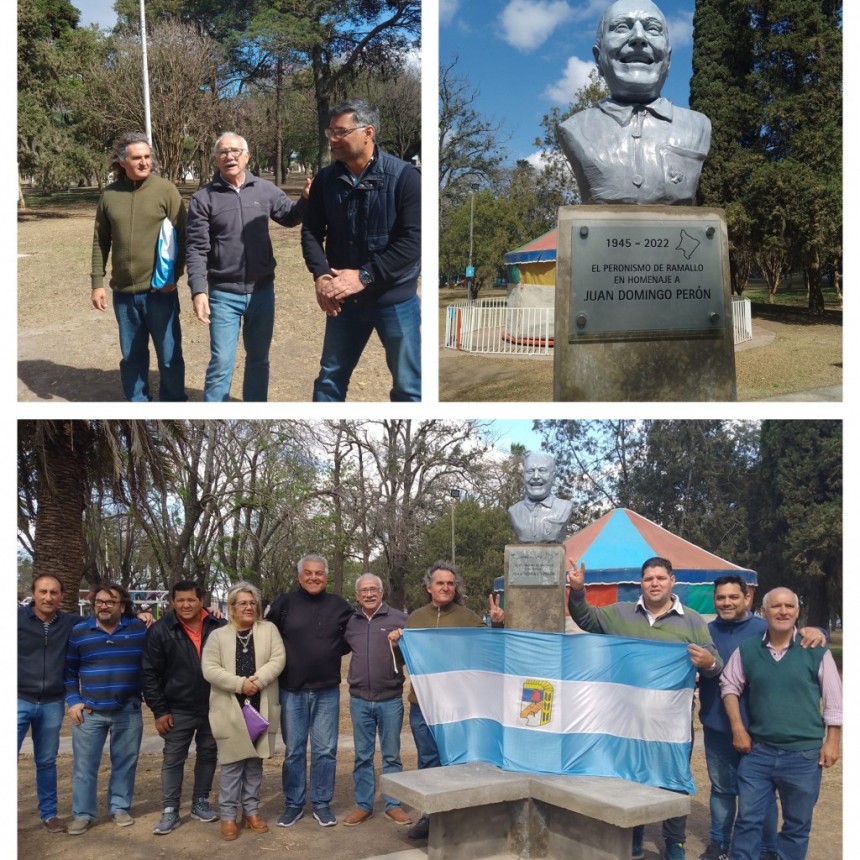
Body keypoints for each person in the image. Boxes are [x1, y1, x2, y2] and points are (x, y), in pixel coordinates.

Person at [567, 556, 721, 860]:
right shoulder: (621, 613)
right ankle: (633, 834)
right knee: (630, 777)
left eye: (661, 578)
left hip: (671, 721)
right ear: (641, 582)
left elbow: (714, 662)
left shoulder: (691, 620)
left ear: (672, 581)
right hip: (627, 719)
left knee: (674, 778)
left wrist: (709, 662)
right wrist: (578, 591)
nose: (655, 583)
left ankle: (675, 841)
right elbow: (586, 619)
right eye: (649, 578)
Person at [697, 576, 827, 860]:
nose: (727, 602)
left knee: (762, 798)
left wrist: (818, 630)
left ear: (748, 599)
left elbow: (798, 629)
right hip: (718, 725)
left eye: (733, 596)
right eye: (721, 597)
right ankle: (720, 842)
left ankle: (768, 848)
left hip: (758, 732)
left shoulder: (764, 628)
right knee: (722, 790)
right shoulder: (704, 632)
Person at [301, 98, 422, 402]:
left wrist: (365, 276)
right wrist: (320, 276)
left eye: (340, 132)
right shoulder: (326, 181)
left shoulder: (405, 177)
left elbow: (413, 242)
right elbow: (311, 231)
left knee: (409, 389)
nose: (332, 139)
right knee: (329, 382)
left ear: (367, 132)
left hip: (395, 299)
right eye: (331, 131)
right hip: (345, 303)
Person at [186, 132, 309, 401]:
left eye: (234, 151)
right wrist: (198, 290)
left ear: (246, 156)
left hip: (262, 292)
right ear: (216, 159)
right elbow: (196, 248)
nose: (229, 156)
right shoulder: (203, 198)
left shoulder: (265, 190)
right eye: (222, 152)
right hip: (223, 294)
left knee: (259, 360)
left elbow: (289, 217)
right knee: (221, 363)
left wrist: (305, 200)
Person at [387, 561, 504, 840]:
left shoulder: (467, 618)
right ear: (429, 587)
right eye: (440, 583)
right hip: (423, 706)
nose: (445, 588)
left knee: (458, 762)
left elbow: (492, 650)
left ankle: (459, 818)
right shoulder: (415, 618)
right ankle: (431, 818)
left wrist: (499, 625)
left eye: (450, 583)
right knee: (428, 761)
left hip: (458, 707)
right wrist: (396, 644)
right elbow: (407, 661)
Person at [556, 0, 711, 205]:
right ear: (598, 57)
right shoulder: (575, 128)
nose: (639, 37)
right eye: (621, 27)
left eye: (652, 29)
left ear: (669, 59)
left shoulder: (698, 126)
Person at [91, 132, 187, 401]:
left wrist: (174, 277)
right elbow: (100, 241)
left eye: (147, 157)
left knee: (169, 357)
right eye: (137, 158)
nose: (144, 162)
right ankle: (137, 404)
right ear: (123, 162)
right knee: (132, 357)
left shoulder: (166, 190)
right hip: (124, 295)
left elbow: (185, 236)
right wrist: (96, 283)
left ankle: (174, 402)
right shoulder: (109, 196)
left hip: (160, 292)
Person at [266, 555, 353, 828]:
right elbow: (266, 635)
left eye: (319, 573)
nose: (314, 577)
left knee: (325, 750)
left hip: (327, 690)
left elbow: (350, 639)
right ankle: (293, 803)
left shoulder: (340, 606)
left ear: (326, 577)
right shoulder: (284, 604)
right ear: (299, 576)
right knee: (294, 750)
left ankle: (321, 802)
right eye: (308, 573)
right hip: (291, 690)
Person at [201, 582, 285, 840]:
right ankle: (228, 815)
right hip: (230, 708)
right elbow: (210, 668)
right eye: (242, 603)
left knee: (254, 764)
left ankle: (251, 811)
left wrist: (256, 682)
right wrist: (240, 684)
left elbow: (278, 659)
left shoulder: (269, 630)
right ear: (232, 607)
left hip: (260, 705)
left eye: (252, 603)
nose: (248, 607)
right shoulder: (218, 635)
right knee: (232, 763)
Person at [142, 580, 226, 834]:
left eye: (191, 599)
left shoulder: (219, 626)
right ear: (172, 602)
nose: (186, 605)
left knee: (208, 754)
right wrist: (160, 710)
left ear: (201, 600)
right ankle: (170, 809)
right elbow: (149, 673)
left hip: (214, 704)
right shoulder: (160, 630)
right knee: (173, 758)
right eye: (180, 600)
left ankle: (200, 801)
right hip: (177, 708)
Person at [64, 584, 149, 835]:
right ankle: (82, 814)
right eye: (99, 601)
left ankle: (120, 807)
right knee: (84, 766)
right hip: (89, 712)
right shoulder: (79, 632)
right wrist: (73, 701)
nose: (103, 606)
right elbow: (69, 672)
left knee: (125, 762)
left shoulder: (138, 630)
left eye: (110, 602)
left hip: (128, 709)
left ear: (122, 606)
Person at [341, 574, 411, 827]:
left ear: (382, 592)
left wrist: (398, 645)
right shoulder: (351, 622)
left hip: (390, 699)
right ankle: (363, 804)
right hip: (359, 700)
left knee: (391, 755)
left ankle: (393, 804)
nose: (369, 594)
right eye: (364, 591)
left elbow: (411, 656)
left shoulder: (400, 620)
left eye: (373, 590)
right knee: (362, 756)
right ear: (357, 595)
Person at [18, 575, 82, 832]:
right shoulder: (15, 620)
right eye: (43, 591)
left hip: (52, 703)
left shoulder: (71, 623)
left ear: (61, 596)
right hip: (17, 699)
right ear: (33, 593)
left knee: (46, 761)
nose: (48, 597)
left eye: (54, 592)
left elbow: (106, 620)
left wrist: (140, 616)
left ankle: (49, 813)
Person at [507, 452, 574, 543]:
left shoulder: (565, 507)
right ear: (523, 477)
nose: (535, 476)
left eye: (542, 471)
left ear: (553, 477)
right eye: (530, 471)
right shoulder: (514, 511)